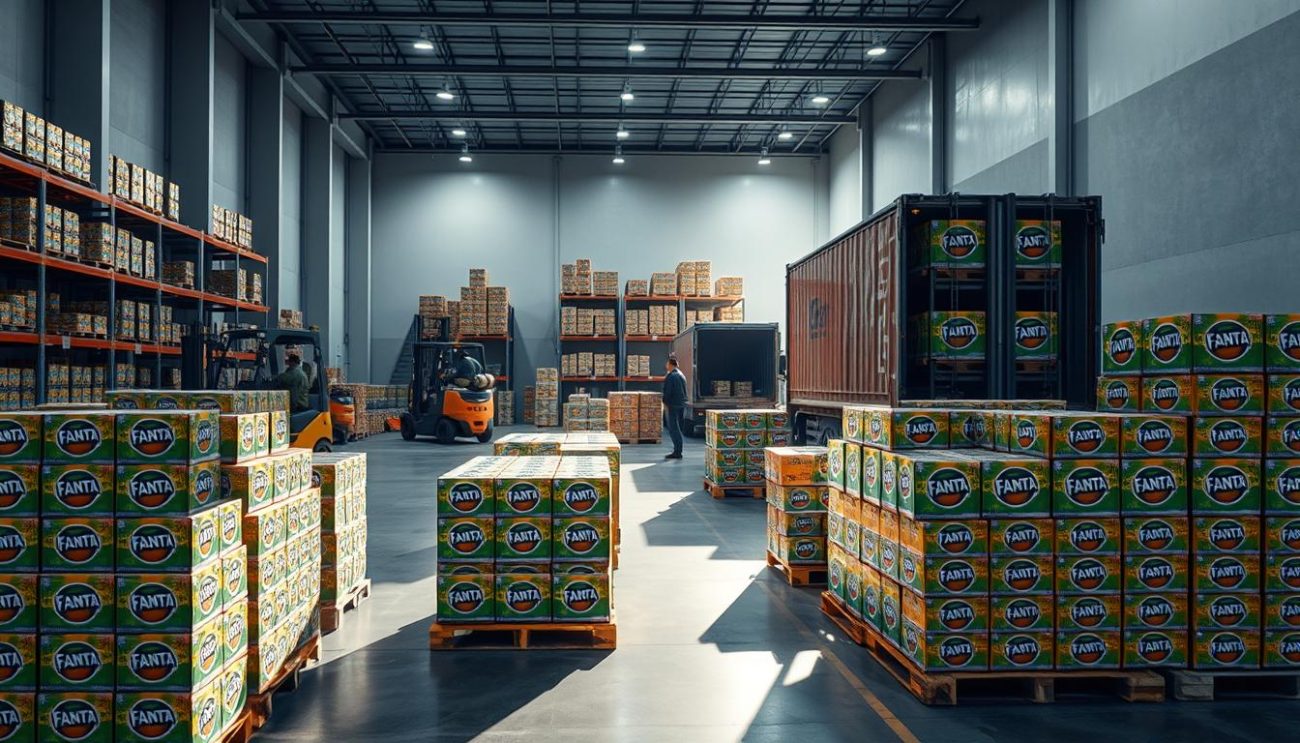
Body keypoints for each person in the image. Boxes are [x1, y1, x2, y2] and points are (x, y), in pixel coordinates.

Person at [662, 356, 687, 460]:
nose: (666, 365)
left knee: (673, 429)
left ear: (670, 364)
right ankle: (678, 450)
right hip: (681, 404)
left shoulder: (671, 376)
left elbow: (668, 391)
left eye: (667, 363)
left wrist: (665, 402)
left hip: (672, 405)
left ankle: (677, 452)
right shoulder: (681, 375)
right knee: (677, 428)